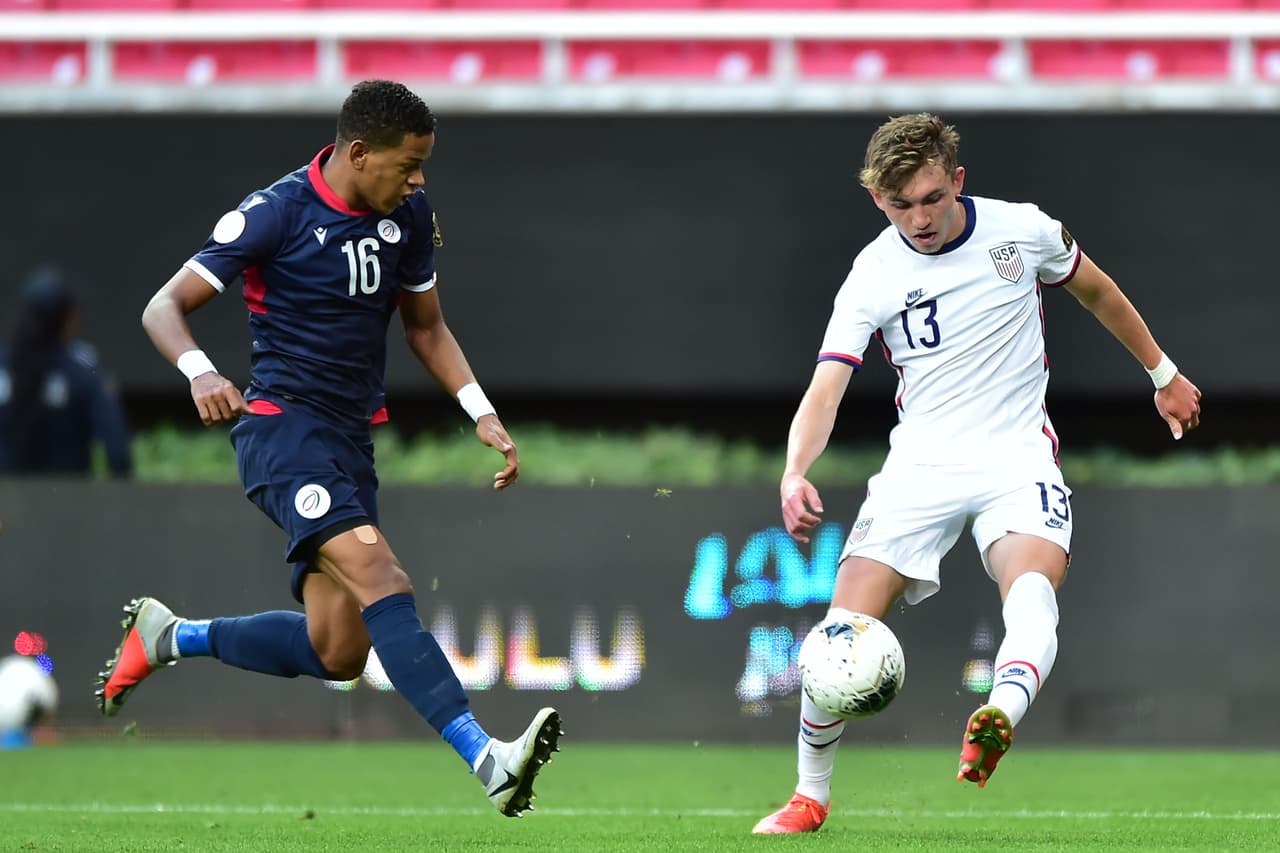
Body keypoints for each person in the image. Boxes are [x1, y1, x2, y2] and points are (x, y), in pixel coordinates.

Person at [93, 80, 561, 817]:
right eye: (408, 165)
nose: (419, 181)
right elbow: (164, 306)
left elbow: (427, 328)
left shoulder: (406, 215)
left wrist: (481, 411)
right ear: (358, 152)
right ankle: (487, 756)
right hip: (283, 431)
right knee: (383, 577)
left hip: (348, 441)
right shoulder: (275, 213)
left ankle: (171, 636)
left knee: (338, 650)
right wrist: (201, 369)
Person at [752, 113, 1201, 834]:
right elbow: (825, 387)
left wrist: (1164, 373)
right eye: (902, 205)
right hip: (919, 468)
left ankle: (999, 712)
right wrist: (793, 469)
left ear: (957, 181)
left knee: (1030, 587)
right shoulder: (872, 272)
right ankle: (810, 796)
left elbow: (1099, 292)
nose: (920, 217)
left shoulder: (1021, 231)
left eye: (932, 197)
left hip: (1015, 457)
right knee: (838, 634)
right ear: (877, 200)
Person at [0, 267, 132, 477]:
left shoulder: (4, 365)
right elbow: (117, 450)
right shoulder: (82, 369)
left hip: (6, 502)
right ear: (69, 317)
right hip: (68, 503)